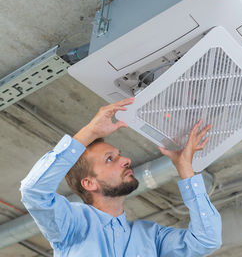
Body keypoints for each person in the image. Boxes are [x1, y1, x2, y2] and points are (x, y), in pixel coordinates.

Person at [20, 98, 222, 256]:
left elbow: (206, 240)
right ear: (89, 183)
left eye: (119, 155)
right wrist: (89, 132)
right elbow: (34, 192)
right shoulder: (72, 223)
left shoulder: (151, 236)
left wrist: (185, 168)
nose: (126, 159)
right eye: (110, 159)